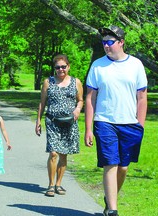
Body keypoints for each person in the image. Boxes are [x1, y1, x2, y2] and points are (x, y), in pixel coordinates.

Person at [84, 25, 147, 216]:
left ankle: (109, 198)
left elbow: (142, 97)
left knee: (123, 168)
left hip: (129, 124)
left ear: (121, 42)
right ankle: (113, 210)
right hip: (105, 122)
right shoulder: (98, 65)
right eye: (103, 42)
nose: (106, 46)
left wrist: (140, 126)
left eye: (110, 42)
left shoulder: (135, 64)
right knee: (110, 163)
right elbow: (90, 98)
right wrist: (88, 128)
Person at [35, 54, 83, 197]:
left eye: (63, 66)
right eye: (58, 67)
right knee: (53, 152)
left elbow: (80, 100)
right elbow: (42, 103)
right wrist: (38, 120)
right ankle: (50, 185)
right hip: (52, 121)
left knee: (63, 154)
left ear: (68, 66)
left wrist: (78, 109)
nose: (61, 69)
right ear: (54, 69)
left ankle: (58, 184)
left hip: (69, 122)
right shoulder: (48, 82)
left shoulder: (76, 82)